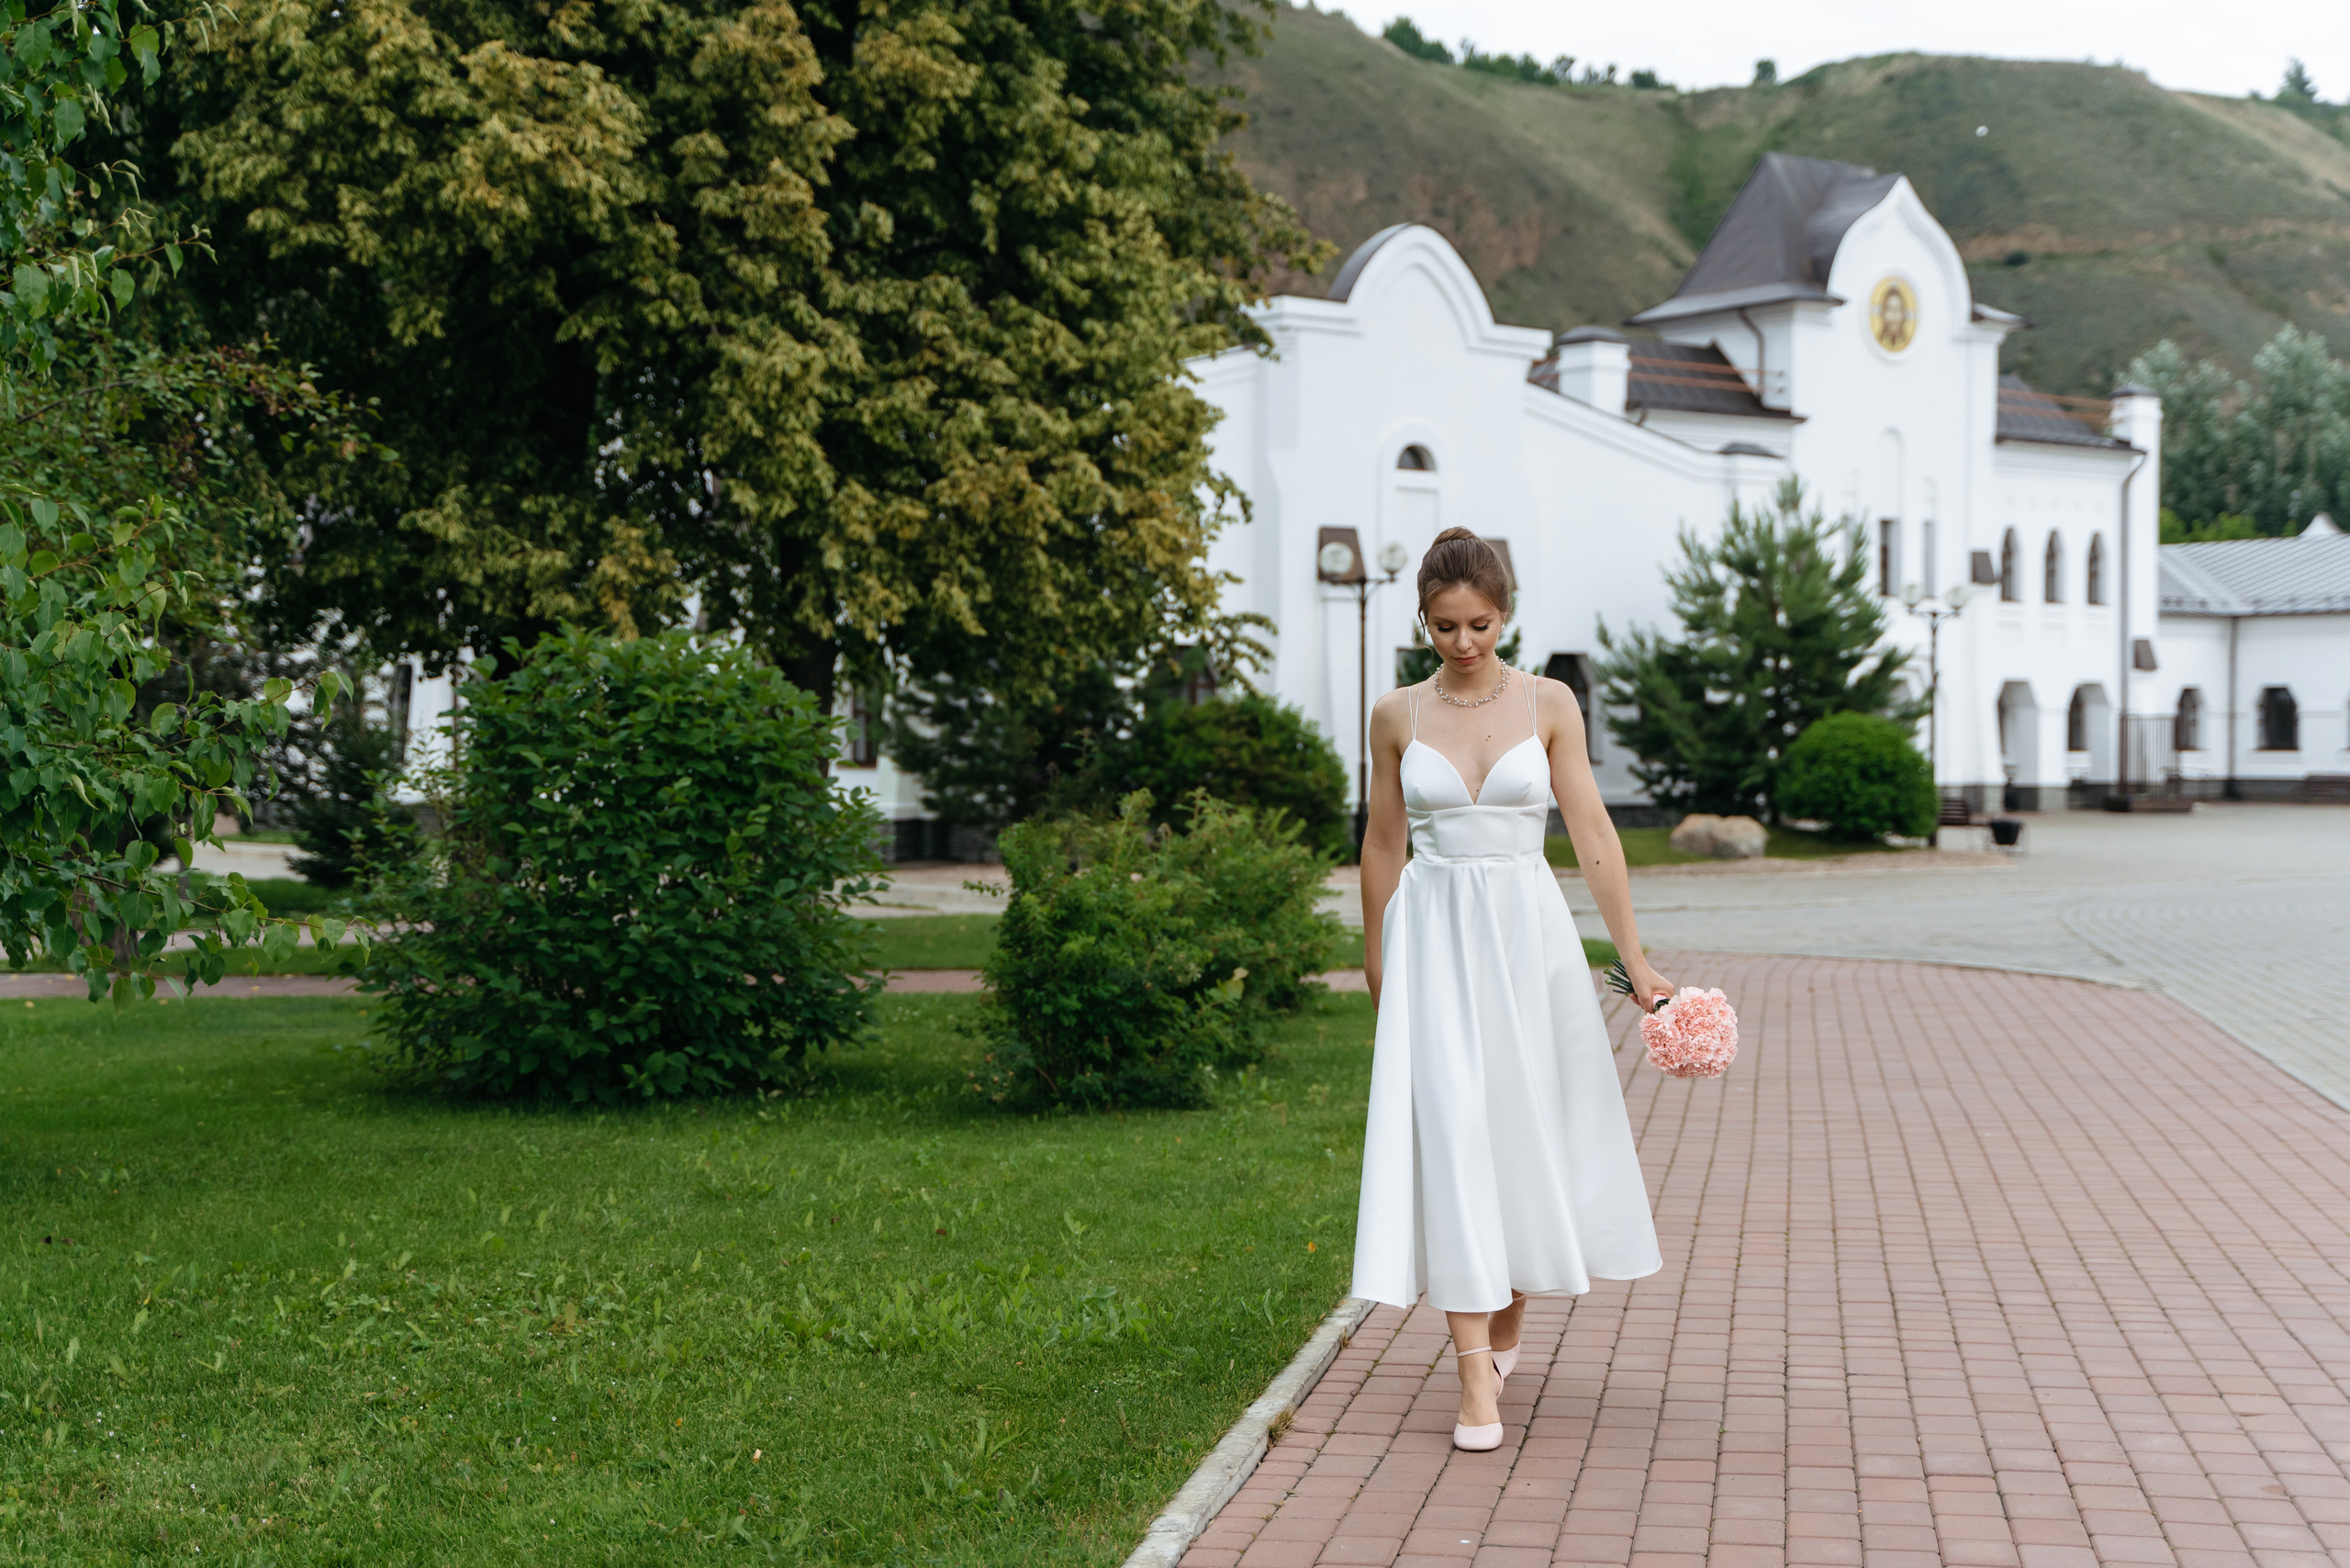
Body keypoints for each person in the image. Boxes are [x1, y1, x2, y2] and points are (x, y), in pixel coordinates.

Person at [1351, 527, 1674, 1451]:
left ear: (1506, 613)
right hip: (1433, 939)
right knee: (1453, 1130)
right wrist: (1376, 953)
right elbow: (1381, 842)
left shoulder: (1548, 701)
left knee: (1519, 1131)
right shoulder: (1395, 714)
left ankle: (1504, 1332)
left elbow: (1594, 835)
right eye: (1445, 626)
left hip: (1526, 939)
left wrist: (1635, 958)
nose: (1463, 644)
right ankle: (1471, 1382)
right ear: (1423, 618)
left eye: (1480, 625)